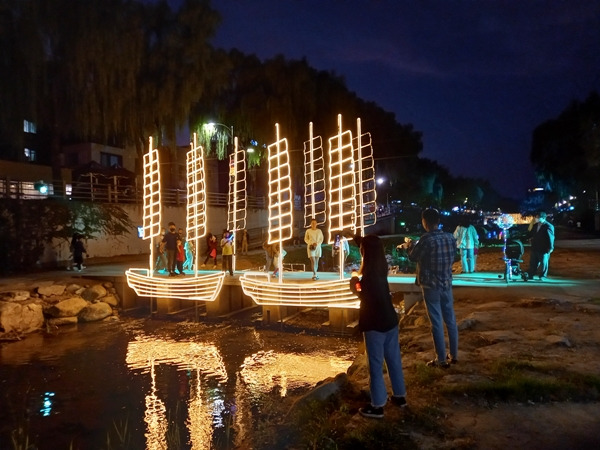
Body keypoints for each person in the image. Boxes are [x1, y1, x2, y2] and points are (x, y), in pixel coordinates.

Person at [350, 234, 407, 419]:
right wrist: (353, 236)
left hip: (374, 325)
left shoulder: (367, 279)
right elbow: (370, 245)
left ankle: (377, 406)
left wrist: (353, 279)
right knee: (393, 360)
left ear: (365, 254)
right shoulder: (382, 270)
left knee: (375, 365)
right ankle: (399, 397)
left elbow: (359, 292)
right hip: (390, 321)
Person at [403, 208, 458, 368]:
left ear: (425, 222)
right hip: (446, 282)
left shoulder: (426, 239)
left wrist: (409, 246)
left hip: (430, 285)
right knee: (451, 320)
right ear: (438, 221)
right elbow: (453, 257)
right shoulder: (450, 237)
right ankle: (454, 355)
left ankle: (440, 359)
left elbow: (413, 257)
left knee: (436, 322)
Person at [527, 211, 554, 280]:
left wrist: (550, 247)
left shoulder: (548, 226)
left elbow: (551, 237)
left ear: (543, 218)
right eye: (536, 217)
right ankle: (531, 274)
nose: (536, 219)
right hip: (535, 246)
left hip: (543, 248)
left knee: (543, 262)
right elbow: (532, 234)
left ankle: (542, 276)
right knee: (533, 262)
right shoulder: (535, 225)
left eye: (538, 217)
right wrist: (530, 239)